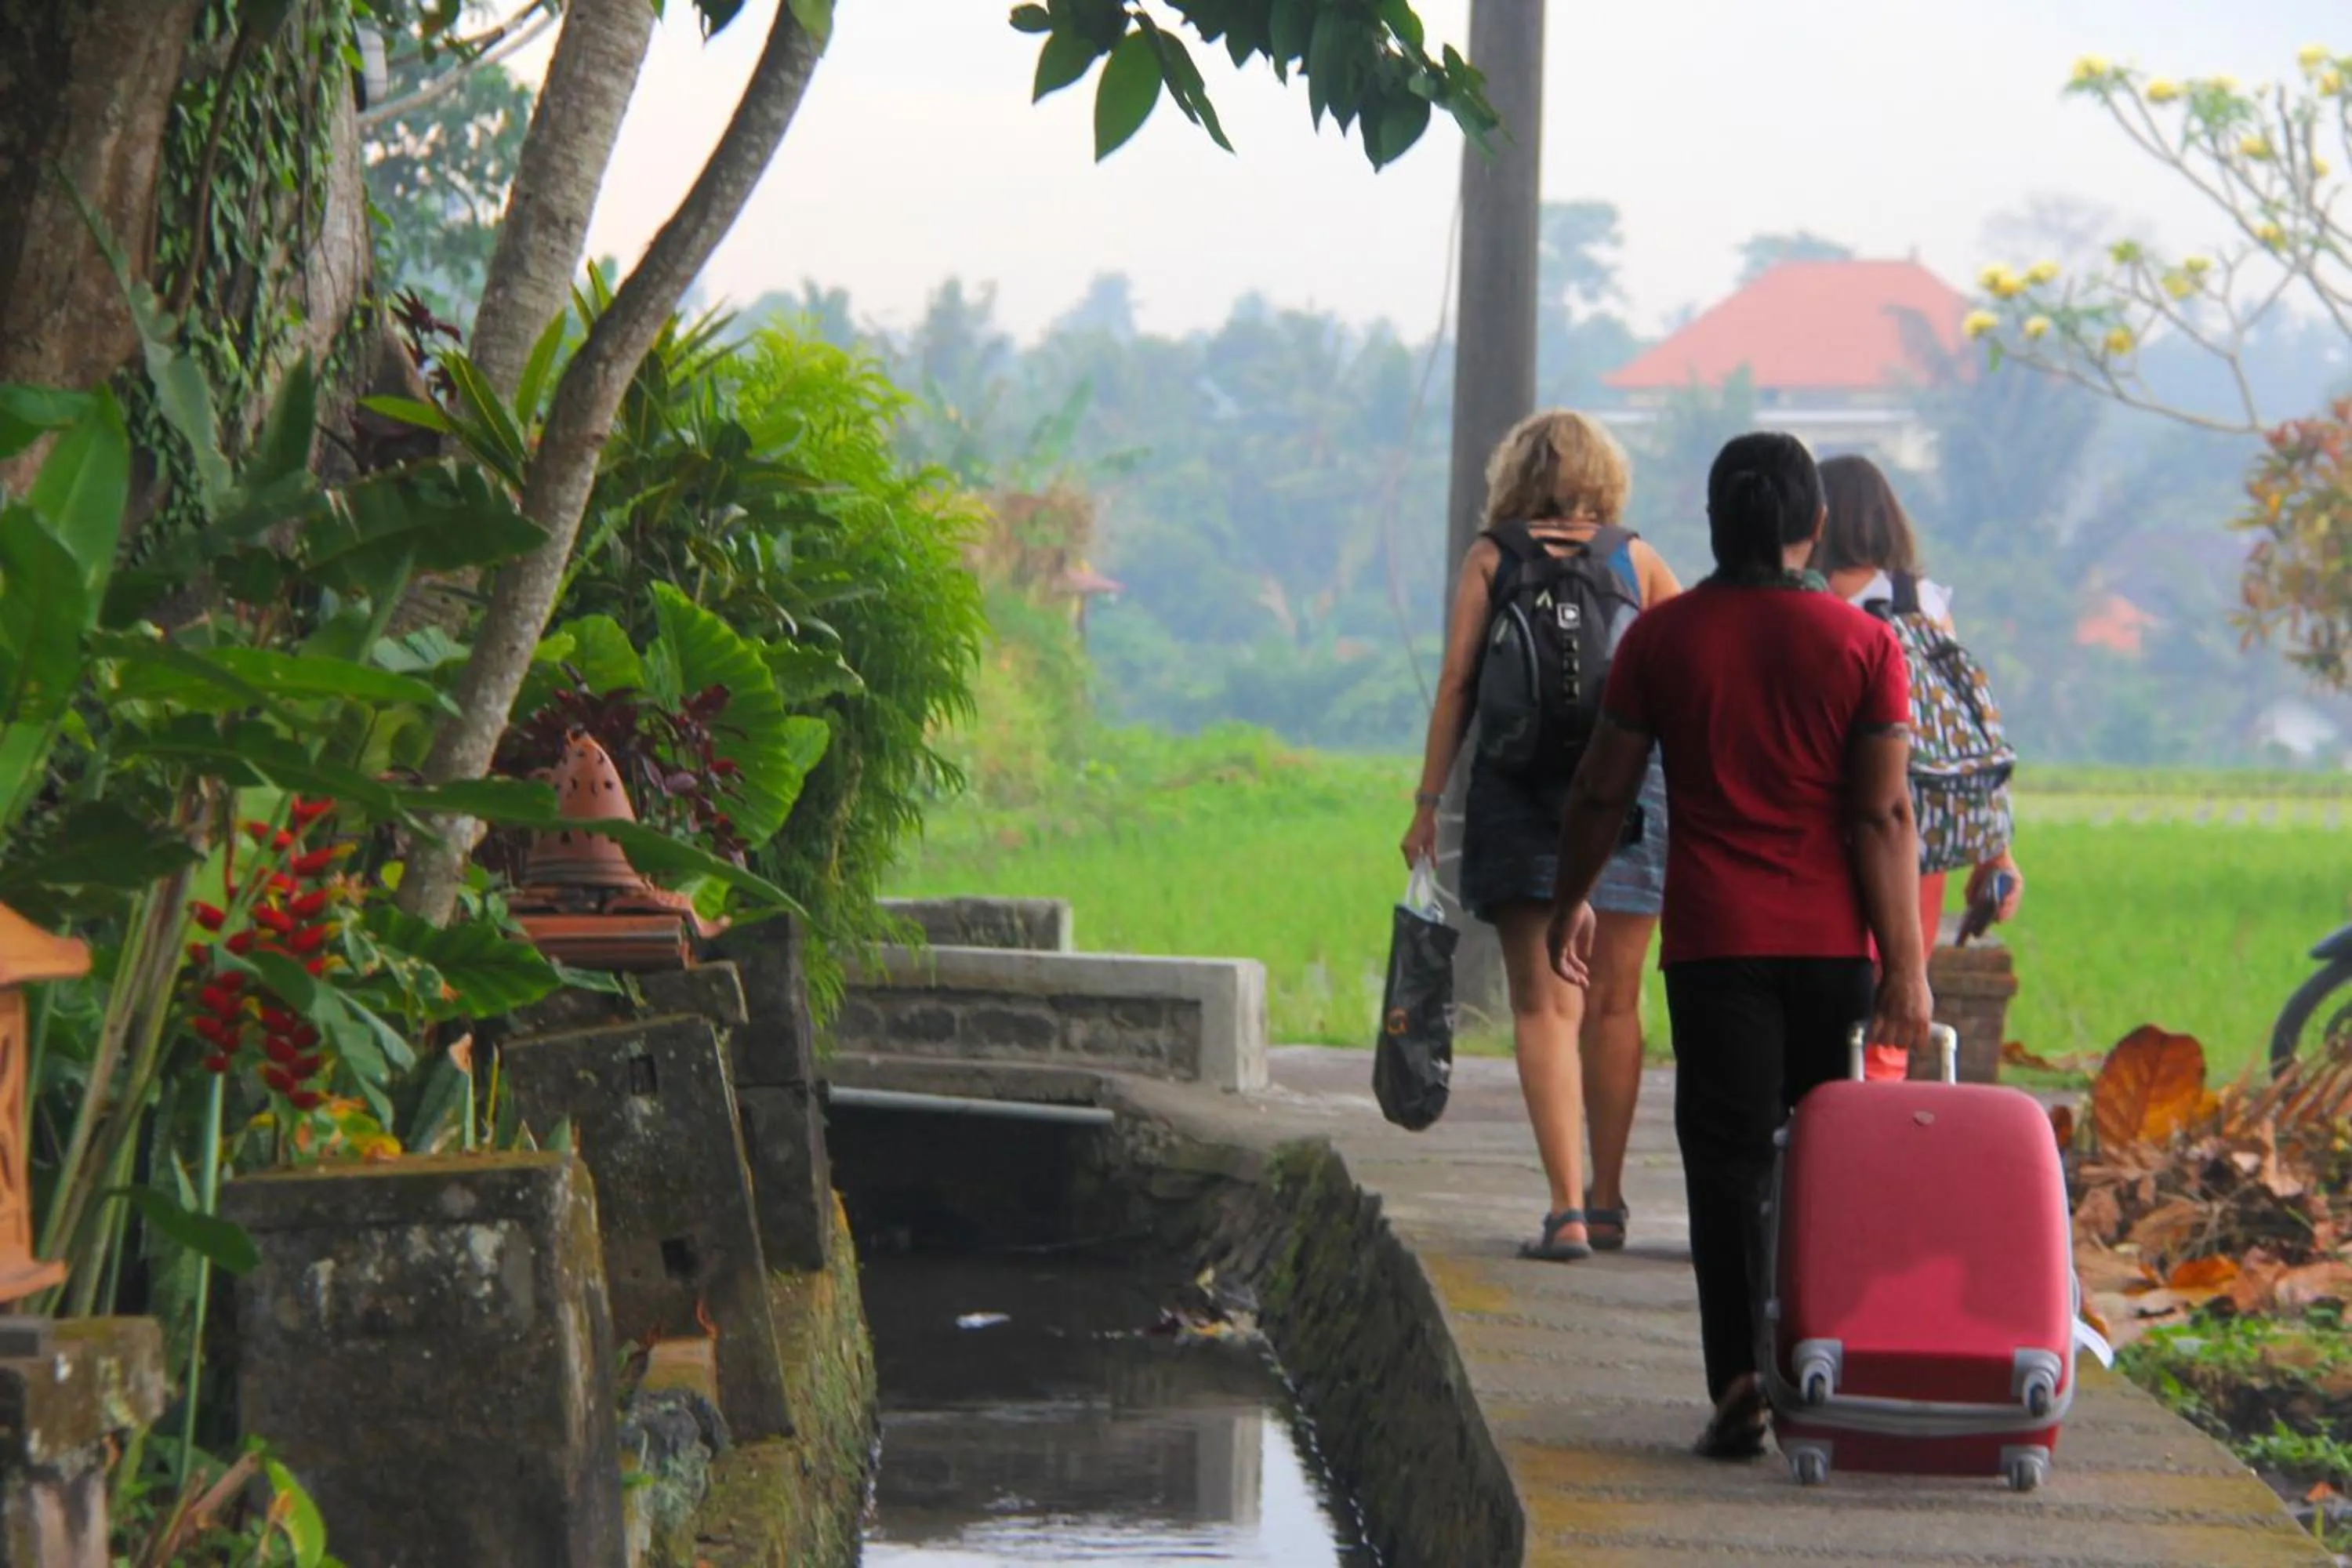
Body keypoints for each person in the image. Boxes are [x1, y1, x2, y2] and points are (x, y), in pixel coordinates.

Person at [1542, 431, 1935, 1459]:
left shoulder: (1665, 640)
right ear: (1811, 528)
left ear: (1715, 523)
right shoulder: (1864, 645)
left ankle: (1741, 1378)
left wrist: (1567, 899)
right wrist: (1908, 971)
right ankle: (1823, 1362)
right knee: (1827, 1161)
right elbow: (1883, 819)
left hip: (1715, 945)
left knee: (1727, 1163)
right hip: (1832, 948)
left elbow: (1602, 787)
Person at [1402, 409, 1679, 1262]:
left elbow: (1456, 685)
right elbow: (1686, 672)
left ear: (1512, 475)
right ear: (1605, 475)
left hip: (1521, 801)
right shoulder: (1638, 558)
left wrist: (1426, 799)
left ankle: (1561, 1210)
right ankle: (1606, 1198)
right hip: (1629, 801)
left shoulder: (1493, 557)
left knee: (1542, 1005)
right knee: (1614, 1003)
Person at [1813, 454, 2024, 943]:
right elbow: (1966, 722)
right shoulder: (1923, 602)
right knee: (1899, 991)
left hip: (1824, 826)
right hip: (1914, 827)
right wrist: (1997, 852)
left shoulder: (1805, 602)